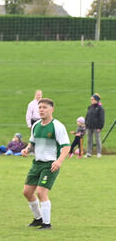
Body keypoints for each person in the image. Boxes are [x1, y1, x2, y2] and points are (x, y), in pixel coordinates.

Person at [21, 98, 70, 230]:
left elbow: (66, 146)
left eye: (44, 107)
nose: (41, 110)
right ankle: (38, 219)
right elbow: (32, 143)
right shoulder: (36, 125)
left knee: (41, 192)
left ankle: (46, 224)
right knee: (27, 192)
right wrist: (27, 149)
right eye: (40, 107)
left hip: (50, 164)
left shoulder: (57, 126)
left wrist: (59, 161)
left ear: (51, 110)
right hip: (37, 163)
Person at [84, 93, 104, 158]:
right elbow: (87, 116)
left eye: (92, 99)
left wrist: (100, 127)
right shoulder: (90, 107)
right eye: (91, 99)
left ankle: (99, 153)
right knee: (89, 140)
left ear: (96, 100)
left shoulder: (100, 108)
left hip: (96, 127)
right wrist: (86, 124)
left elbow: (102, 118)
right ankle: (88, 153)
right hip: (89, 127)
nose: (91, 101)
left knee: (97, 139)